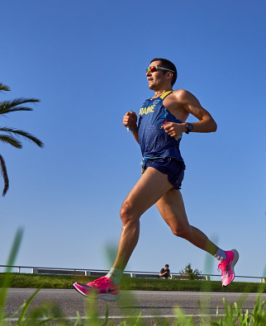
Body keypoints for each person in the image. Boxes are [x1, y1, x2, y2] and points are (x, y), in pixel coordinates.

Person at [73, 58, 238, 301]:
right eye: (146, 70)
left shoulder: (180, 96)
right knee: (179, 228)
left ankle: (113, 281)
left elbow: (211, 123)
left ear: (169, 74)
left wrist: (186, 127)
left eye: (153, 69)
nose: (148, 73)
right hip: (151, 163)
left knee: (128, 211)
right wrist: (132, 128)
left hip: (166, 162)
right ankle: (225, 256)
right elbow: (145, 144)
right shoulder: (146, 105)